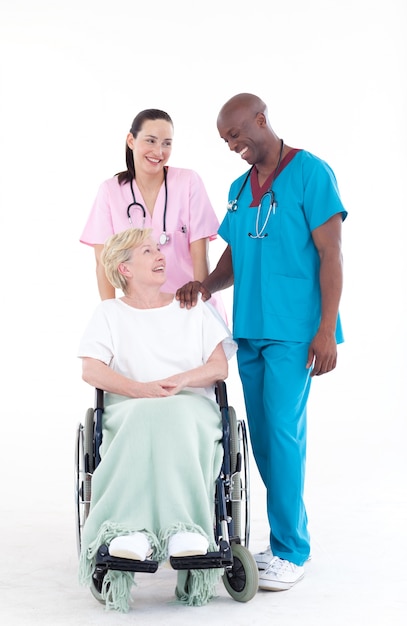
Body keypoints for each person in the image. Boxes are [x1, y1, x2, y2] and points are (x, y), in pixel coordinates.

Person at [176, 93, 347, 592]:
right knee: (266, 442)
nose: (233, 145)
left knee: (284, 437)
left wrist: (325, 328)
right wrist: (205, 285)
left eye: (237, 134)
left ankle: (293, 550)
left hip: (295, 331)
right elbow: (234, 253)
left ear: (261, 119)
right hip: (249, 329)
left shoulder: (311, 172)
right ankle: (284, 540)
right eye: (226, 140)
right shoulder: (239, 186)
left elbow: (331, 254)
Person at [77, 227, 236, 612]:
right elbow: (91, 370)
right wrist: (139, 389)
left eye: (158, 248)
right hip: (130, 406)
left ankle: (185, 529)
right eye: (147, 251)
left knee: (173, 414)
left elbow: (219, 367)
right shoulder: (109, 313)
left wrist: (181, 380)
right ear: (124, 268)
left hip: (190, 407)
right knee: (147, 417)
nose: (161, 254)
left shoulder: (192, 306)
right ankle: (131, 530)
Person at [80, 108, 225, 318]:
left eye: (167, 143)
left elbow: (201, 258)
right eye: (151, 141)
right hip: (141, 315)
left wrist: (200, 312)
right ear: (131, 140)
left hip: (189, 307)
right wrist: (111, 319)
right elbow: (103, 263)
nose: (159, 151)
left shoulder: (188, 182)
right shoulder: (110, 192)